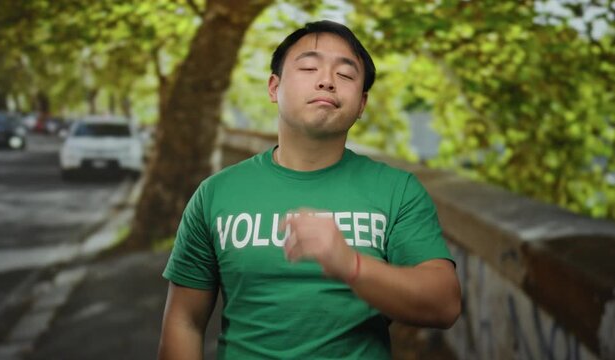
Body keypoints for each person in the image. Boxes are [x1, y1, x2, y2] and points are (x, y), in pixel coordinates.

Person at [158, 20, 461, 359]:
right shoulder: (215, 193)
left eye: (345, 75)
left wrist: (351, 265)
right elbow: (184, 320)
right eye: (308, 67)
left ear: (361, 104)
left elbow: (444, 304)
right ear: (274, 87)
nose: (327, 81)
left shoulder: (398, 191)